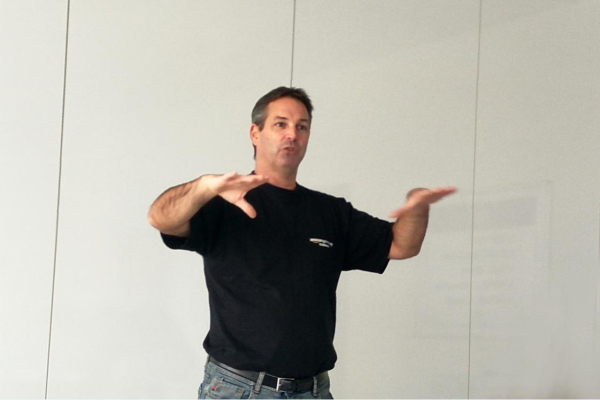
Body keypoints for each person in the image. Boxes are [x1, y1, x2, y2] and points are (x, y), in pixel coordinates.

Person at [148, 87, 456, 399]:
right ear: (255, 133)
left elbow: (402, 246)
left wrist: (418, 206)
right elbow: (161, 218)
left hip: (313, 391)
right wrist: (204, 186)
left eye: (302, 126)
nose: (292, 134)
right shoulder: (224, 203)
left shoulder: (331, 212)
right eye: (280, 124)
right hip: (238, 388)